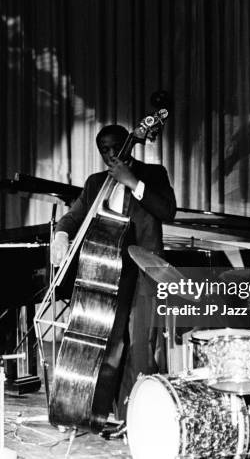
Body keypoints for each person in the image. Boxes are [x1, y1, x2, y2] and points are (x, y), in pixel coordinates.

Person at [51, 124, 177, 426]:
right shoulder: (95, 183)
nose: (110, 154)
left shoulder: (154, 174)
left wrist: (133, 182)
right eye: (104, 149)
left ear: (128, 145)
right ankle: (112, 414)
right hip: (107, 274)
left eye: (115, 147)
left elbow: (168, 211)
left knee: (140, 347)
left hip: (144, 274)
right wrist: (61, 235)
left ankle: (145, 416)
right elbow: (73, 216)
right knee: (109, 346)